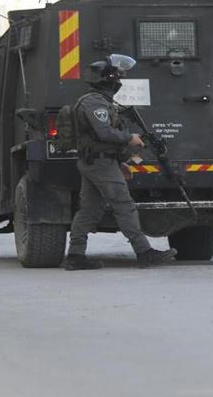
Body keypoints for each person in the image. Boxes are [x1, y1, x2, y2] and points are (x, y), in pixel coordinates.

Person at [64, 54, 177, 270]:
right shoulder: (94, 102)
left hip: (98, 162)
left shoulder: (100, 101)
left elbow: (100, 138)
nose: (119, 81)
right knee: (124, 206)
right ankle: (144, 252)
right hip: (99, 164)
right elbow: (104, 132)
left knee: (89, 210)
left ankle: (75, 256)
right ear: (106, 80)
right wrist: (129, 138)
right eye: (117, 77)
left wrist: (121, 162)